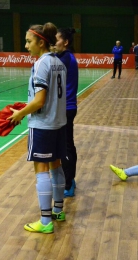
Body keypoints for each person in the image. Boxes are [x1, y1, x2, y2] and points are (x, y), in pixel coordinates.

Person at [8, 22, 67, 233]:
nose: (26, 46)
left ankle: (45, 222)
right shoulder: (59, 62)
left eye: (28, 41)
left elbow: (40, 100)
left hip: (43, 125)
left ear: (41, 43)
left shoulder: (42, 63)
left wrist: (20, 114)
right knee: (56, 165)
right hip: (59, 123)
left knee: (41, 169)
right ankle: (58, 210)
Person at [55, 27, 78, 197]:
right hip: (65, 108)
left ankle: (68, 183)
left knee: (66, 147)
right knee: (67, 144)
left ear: (66, 42)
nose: (53, 43)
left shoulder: (65, 59)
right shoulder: (63, 57)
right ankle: (70, 178)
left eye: (56, 40)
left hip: (66, 109)